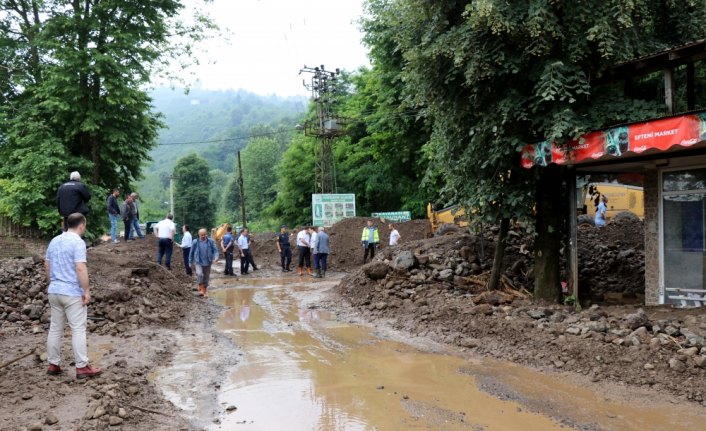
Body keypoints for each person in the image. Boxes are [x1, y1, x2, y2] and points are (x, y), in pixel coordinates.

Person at [44, 213, 102, 379]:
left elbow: (46, 264)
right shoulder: (78, 242)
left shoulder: (54, 241)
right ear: (81, 225)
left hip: (54, 291)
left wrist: (52, 283)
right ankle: (82, 367)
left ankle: (53, 364)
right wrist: (86, 290)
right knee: (78, 329)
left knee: (55, 328)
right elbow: (80, 268)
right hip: (71, 292)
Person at [189, 228, 219, 297]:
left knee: (206, 277)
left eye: (204, 235)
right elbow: (191, 252)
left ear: (206, 234)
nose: (203, 236)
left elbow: (215, 251)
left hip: (208, 262)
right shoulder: (195, 242)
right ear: (199, 235)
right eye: (201, 235)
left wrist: (216, 258)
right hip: (198, 262)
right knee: (199, 274)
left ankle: (204, 290)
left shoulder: (210, 241)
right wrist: (190, 262)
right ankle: (201, 287)